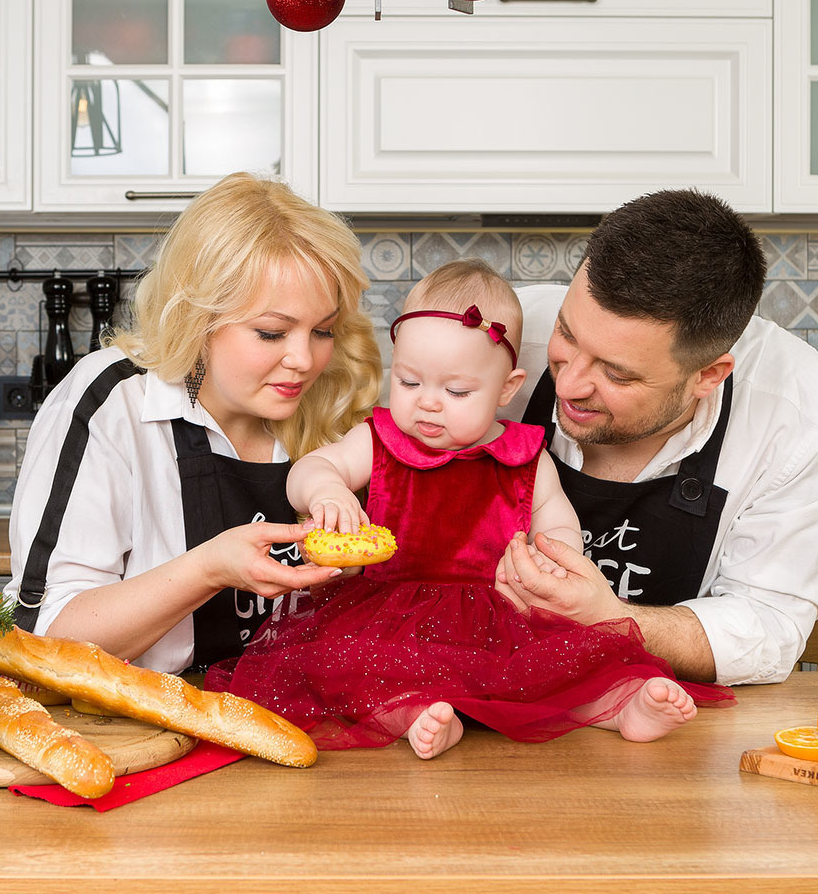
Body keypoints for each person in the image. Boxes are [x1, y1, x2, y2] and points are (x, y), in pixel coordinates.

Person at [206, 260, 734, 759]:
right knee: (348, 672)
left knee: (560, 669)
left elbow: (557, 520)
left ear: (506, 389)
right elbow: (311, 469)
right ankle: (418, 715)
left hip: (496, 611)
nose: (428, 402)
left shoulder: (524, 454)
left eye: (457, 390)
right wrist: (327, 492)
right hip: (391, 614)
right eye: (409, 382)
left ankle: (618, 706)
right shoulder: (381, 439)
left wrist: (558, 556)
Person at [4, 173, 382, 675]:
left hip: (306, 712)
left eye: (323, 330)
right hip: (146, 722)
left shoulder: (335, 400)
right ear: (197, 318)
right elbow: (41, 633)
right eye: (271, 333)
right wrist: (209, 569)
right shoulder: (112, 403)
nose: (304, 360)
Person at [495, 189, 818, 686]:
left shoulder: (799, 412)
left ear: (709, 375)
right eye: (568, 336)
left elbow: (768, 626)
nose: (570, 383)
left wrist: (609, 621)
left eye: (618, 374)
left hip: (665, 718)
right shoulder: (505, 337)